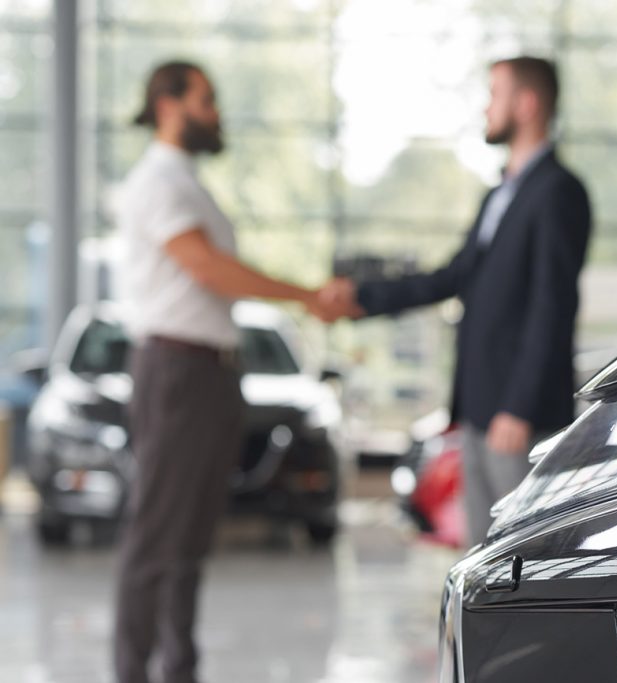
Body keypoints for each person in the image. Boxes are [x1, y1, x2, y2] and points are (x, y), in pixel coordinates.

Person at [113, 60, 352, 683]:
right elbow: (208, 269)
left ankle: (178, 670)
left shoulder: (187, 182)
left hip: (211, 374)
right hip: (177, 373)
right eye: (207, 100)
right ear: (169, 104)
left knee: (189, 539)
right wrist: (304, 295)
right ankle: (132, 671)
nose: (217, 113)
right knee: (156, 534)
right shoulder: (158, 181)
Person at [330, 56, 592, 546]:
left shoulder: (558, 192)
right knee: (483, 552)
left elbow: (552, 306)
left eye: (495, 95)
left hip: (516, 414)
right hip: (478, 406)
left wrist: (519, 406)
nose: (486, 108)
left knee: (522, 554)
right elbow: (454, 276)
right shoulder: (501, 194)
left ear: (528, 103)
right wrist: (362, 298)